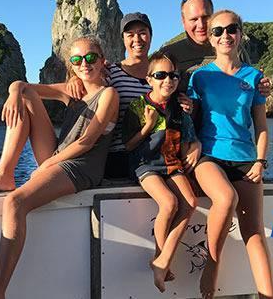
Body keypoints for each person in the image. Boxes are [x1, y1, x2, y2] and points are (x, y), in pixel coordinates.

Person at [0, 36, 119, 299]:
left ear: (103, 61)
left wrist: (46, 164)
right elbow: (22, 86)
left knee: (14, 203)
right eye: (78, 59)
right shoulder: (73, 90)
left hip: (82, 167)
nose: (85, 64)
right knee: (26, 97)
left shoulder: (108, 95)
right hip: (59, 156)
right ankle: (4, 174)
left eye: (91, 58)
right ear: (71, 65)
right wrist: (14, 93)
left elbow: (87, 141)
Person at [188, 10, 273, 299]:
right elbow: (190, 119)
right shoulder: (199, 77)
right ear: (210, 39)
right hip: (209, 156)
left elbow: (261, 126)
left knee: (255, 233)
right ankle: (212, 264)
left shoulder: (254, 77)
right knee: (226, 198)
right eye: (218, 31)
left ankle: (268, 295)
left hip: (246, 159)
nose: (225, 35)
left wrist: (261, 160)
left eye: (231, 29)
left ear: (240, 33)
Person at [66, 12, 193, 180]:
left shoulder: (164, 74)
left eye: (142, 32)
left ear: (150, 36)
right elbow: (88, 75)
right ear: (123, 39)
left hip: (159, 158)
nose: (137, 39)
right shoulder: (110, 72)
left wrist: (187, 109)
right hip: (117, 157)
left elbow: (176, 107)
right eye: (130, 34)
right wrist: (75, 79)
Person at [122, 51, 201, 293]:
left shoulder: (180, 107)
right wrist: (147, 126)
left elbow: (189, 137)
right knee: (168, 203)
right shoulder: (138, 106)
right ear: (149, 79)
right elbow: (128, 145)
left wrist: (196, 146)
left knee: (189, 202)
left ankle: (163, 260)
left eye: (173, 75)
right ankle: (160, 259)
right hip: (146, 164)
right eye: (160, 75)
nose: (168, 80)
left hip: (171, 162)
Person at [160, 0, 270, 95]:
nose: (201, 25)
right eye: (194, 19)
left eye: (205, 17)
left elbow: (249, 87)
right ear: (183, 22)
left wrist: (261, 88)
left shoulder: (234, 49)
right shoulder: (168, 54)